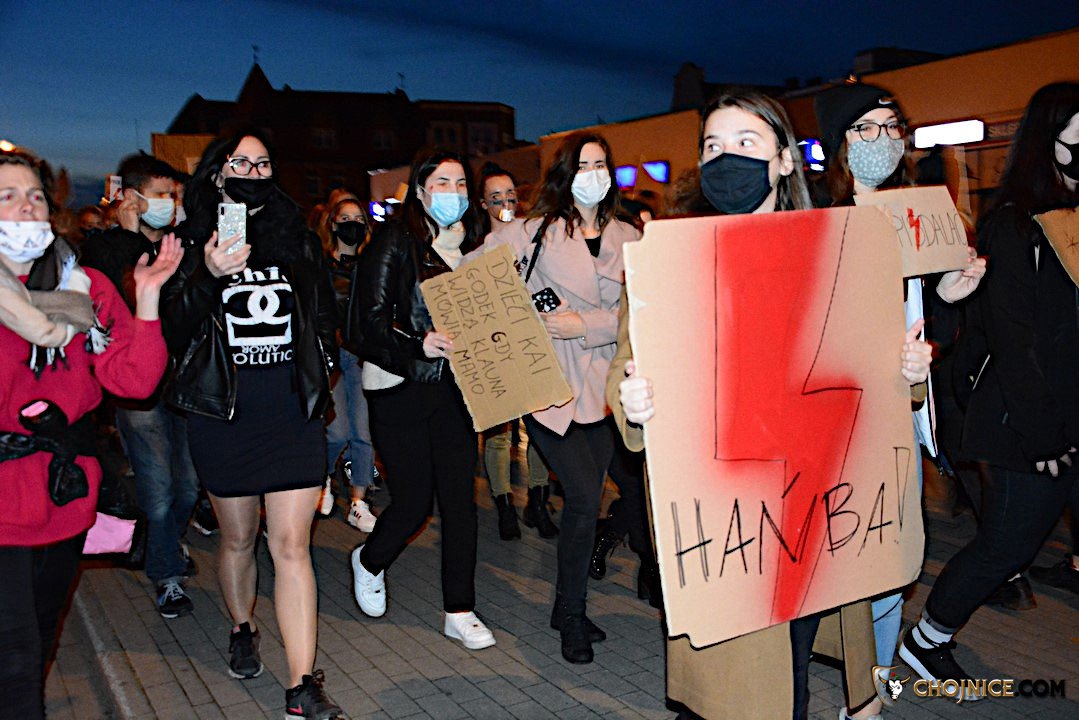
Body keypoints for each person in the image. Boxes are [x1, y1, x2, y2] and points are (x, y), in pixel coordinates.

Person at [610, 90, 931, 719]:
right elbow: (629, 365)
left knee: (795, 673)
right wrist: (635, 403)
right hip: (732, 513)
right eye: (713, 145)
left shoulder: (836, 251)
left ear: (784, 159)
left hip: (818, 506)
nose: (726, 157)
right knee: (746, 687)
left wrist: (908, 372)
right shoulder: (670, 258)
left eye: (746, 142)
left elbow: (872, 368)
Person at [899, 82, 1079, 690]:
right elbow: (1015, 340)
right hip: (1021, 425)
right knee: (1007, 546)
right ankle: (928, 640)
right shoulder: (1014, 225)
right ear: (1049, 140)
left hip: (1066, 416)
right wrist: (1043, 435)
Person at [161, 129, 343, 719]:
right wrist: (208, 273)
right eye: (240, 163)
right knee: (238, 537)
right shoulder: (189, 241)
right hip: (225, 414)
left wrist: (323, 367)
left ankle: (302, 685)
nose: (254, 172)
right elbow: (170, 329)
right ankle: (242, 625)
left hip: (290, 413)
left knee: (291, 545)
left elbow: (323, 313)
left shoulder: (296, 238)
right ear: (217, 173)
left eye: (263, 163)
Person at [0, 146, 180, 718]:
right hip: (2, 498)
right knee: (15, 656)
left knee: (41, 637)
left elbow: (134, 381)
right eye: (7, 197)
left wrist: (147, 301)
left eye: (34, 196)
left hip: (63, 496)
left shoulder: (85, 286)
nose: (26, 207)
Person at [814, 81, 987, 675]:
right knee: (840, 548)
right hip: (838, 415)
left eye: (892, 127)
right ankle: (842, 659)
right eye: (866, 128)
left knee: (893, 547)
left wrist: (951, 293)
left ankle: (876, 674)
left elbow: (925, 309)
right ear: (839, 142)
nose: (882, 140)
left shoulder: (914, 212)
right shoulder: (819, 219)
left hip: (902, 407)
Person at [480, 132, 641, 664]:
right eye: (583, 165)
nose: (593, 174)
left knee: (607, 497)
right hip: (552, 385)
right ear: (565, 174)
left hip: (609, 386)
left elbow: (642, 309)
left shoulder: (629, 235)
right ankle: (570, 613)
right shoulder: (533, 231)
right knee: (582, 497)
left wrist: (587, 324)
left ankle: (568, 607)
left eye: (601, 164)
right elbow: (475, 275)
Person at [349, 148, 496, 652]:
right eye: (442, 183)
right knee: (413, 503)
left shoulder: (478, 247)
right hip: (400, 383)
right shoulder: (394, 241)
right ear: (419, 190)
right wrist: (417, 342)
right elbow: (366, 322)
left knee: (460, 503)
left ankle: (460, 610)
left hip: (458, 387)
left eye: (461, 184)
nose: (453, 193)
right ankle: (369, 560)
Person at [80, 153, 201, 619]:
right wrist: (130, 237)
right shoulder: (106, 248)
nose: (170, 203)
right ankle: (167, 575)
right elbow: (118, 301)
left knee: (188, 487)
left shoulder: (182, 244)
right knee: (158, 488)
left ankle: (161, 543)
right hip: (138, 392)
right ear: (132, 198)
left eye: (175, 195)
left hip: (184, 382)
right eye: (161, 194)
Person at [475, 162, 555, 541]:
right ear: (483, 204)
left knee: (540, 427)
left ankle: (537, 501)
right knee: (499, 433)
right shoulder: (476, 247)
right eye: (496, 197)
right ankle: (504, 504)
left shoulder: (532, 238)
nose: (506, 204)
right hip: (495, 346)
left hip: (533, 342)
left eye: (511, 196)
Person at [317, 192, 377, 532]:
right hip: (332, 356)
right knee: (337, 431)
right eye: (345, 219)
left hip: (362, 356)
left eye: (358, 220)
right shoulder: (321, 266)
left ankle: (358, 502)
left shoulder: (371, 266)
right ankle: (322, 477)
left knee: (363, 433)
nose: (352, 225)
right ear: (332, 224)